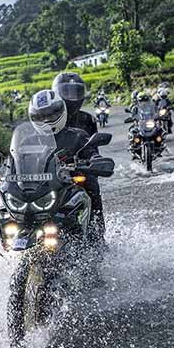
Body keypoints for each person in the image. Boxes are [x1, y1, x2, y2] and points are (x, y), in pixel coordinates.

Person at [29, 90, 105, 244]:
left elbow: (89, 151)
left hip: (70, 185)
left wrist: (94, 159)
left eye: (50, 115)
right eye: (41, 116)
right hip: (41, 189)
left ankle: (96, 235)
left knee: (91, 185)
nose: (46, 120)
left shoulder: (77, 135)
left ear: (61, 112)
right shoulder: (28, 141)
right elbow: (14, 159)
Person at [51, 72, 97, 137]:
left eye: (76, 92)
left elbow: (94, 145)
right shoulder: (51, 118)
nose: (72, 96)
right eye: (67, 93)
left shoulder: (88, 119)